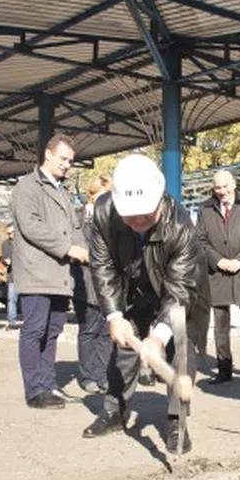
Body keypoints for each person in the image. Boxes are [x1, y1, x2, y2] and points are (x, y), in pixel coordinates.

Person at [83, 154, 209, 454]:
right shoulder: (103, 213)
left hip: (179, 291)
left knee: (180, 349)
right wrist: (114, 314)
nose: (139, 223)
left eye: (146, 216)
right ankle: (115, 410)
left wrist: (157, 336)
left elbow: (179, 291)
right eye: (131, 217)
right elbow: (102, 266)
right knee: (123, 349)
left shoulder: (181, 227)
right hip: (132, 289)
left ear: (160, 201)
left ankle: (177, 421)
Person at [11, 134, 90, 410]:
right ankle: (34, 391)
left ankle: (48, 384)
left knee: (54, 329)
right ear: (48, 154)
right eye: (63, 159)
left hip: (59, 274)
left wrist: (83, 250)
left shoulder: (62, 192)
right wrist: (68, 248)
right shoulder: (26, 186)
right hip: (36, 273)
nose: (67, 165)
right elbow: (31, 226)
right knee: (35, 329)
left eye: (70, 161)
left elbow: (76, 228)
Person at [197, 170, 240, 385]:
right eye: (218, 188)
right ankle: (224, 369)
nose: (222, 191)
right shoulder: (205, 209)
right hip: (217, 274)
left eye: (226, 186)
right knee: (220, 327)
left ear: (234, 184)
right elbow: (200, 240)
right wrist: (217, 260)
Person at [72, 174, 113, 395]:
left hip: (108, 284)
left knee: (106, 333)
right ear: (91, 195)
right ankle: (88, 375)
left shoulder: (112, 219)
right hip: (85, 282)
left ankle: (104, 375)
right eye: (100, 196)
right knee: (88, 331)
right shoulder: (78, 218)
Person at [1, 224, 18, 330]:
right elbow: (4, 257)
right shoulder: (5, 244)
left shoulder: (24, 242)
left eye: (12, 232)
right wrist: (5, 261)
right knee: (12, 300)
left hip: (25, 275)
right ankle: (12, 322)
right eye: (8, 233)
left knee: (27, 299)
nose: (11, 235)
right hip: (12, 275)